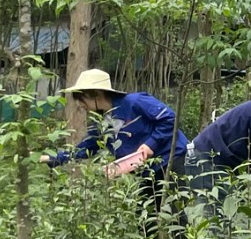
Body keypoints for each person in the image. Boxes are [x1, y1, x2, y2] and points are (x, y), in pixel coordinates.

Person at [42, 68, 188, 217]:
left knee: (177, 215)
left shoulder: (134, 102)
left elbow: (170, 119)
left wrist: (151, 144)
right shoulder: (101, 124)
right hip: (146, 172)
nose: (80, 105)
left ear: (96, 94)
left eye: (81, 98)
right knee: (145, 220)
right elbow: (86, 148)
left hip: (172, 160)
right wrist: (53, 158)